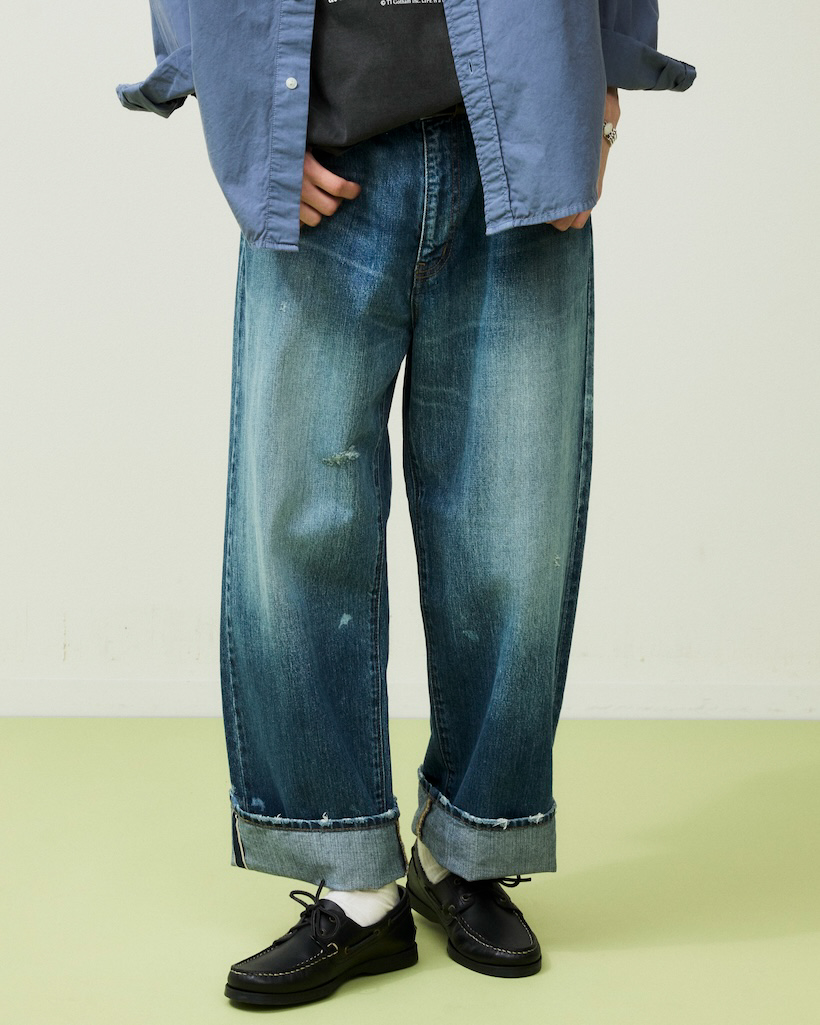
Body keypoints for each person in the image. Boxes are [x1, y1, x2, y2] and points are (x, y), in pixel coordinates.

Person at [116, 0, 696, 1007]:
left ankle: (468, 848)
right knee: (298, 525)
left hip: (521, 133)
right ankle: (353, 886)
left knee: (512, 525)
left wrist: (603, 87)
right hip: (321, 143)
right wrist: (237, 109)